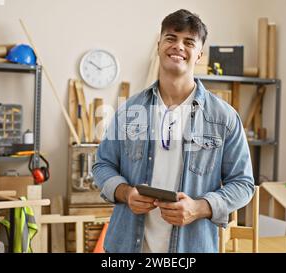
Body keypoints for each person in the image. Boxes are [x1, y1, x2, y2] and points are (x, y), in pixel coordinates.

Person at [92, 9, 254, 253]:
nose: (178, 46)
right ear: (159, 46)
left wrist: (199, 208)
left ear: (199, 54)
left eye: (189, 42)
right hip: (127, 248)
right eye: (171, 38)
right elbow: (102, 165)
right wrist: (126, 193)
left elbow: (243, 184)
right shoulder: (129, 110)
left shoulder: (224, 117)